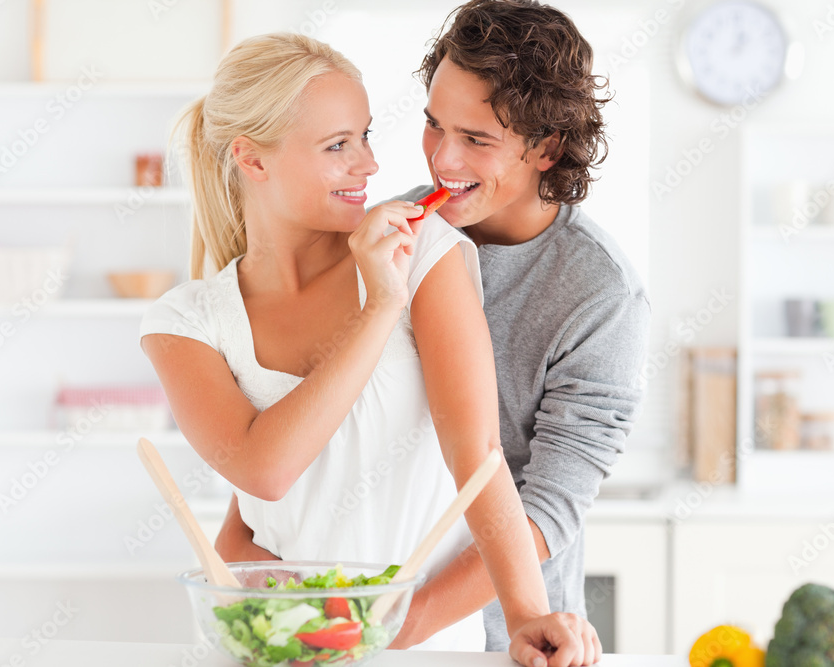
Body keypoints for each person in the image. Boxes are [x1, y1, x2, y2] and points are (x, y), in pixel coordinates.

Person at [139, 32, 599, 667]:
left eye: (366, 136)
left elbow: (479, 456)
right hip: (282, 645)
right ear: (252, 160)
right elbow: (264, 474)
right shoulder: (186, 322)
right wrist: (379, 307)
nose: (371, 166)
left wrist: (525, 613)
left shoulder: (422, 252)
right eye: (337, 146)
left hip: (427, 654)